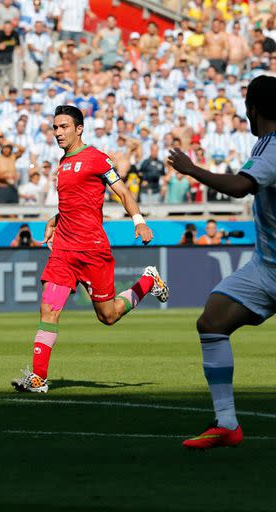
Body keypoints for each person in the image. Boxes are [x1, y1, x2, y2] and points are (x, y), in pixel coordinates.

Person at [13, 105, 169, 394]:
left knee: (108, 316)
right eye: (55, 127)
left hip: (92, 250)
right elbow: (73, 204)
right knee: (48, 309)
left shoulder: (96, 158)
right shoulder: (62, 164)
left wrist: (139, 221)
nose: (58, 132)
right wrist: (54, 220)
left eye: (63, 127)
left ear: (79, 129)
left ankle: (148, 280)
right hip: (63, 251)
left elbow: (121, 191)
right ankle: (38, 378)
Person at [167, 75, 276, 450]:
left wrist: (192, 169)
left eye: (246, 103)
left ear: (254, 108)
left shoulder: (274, 148)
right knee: (212, 321)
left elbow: (241, 187)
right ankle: (226, 423)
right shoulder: (264, 144)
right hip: (267, 266)